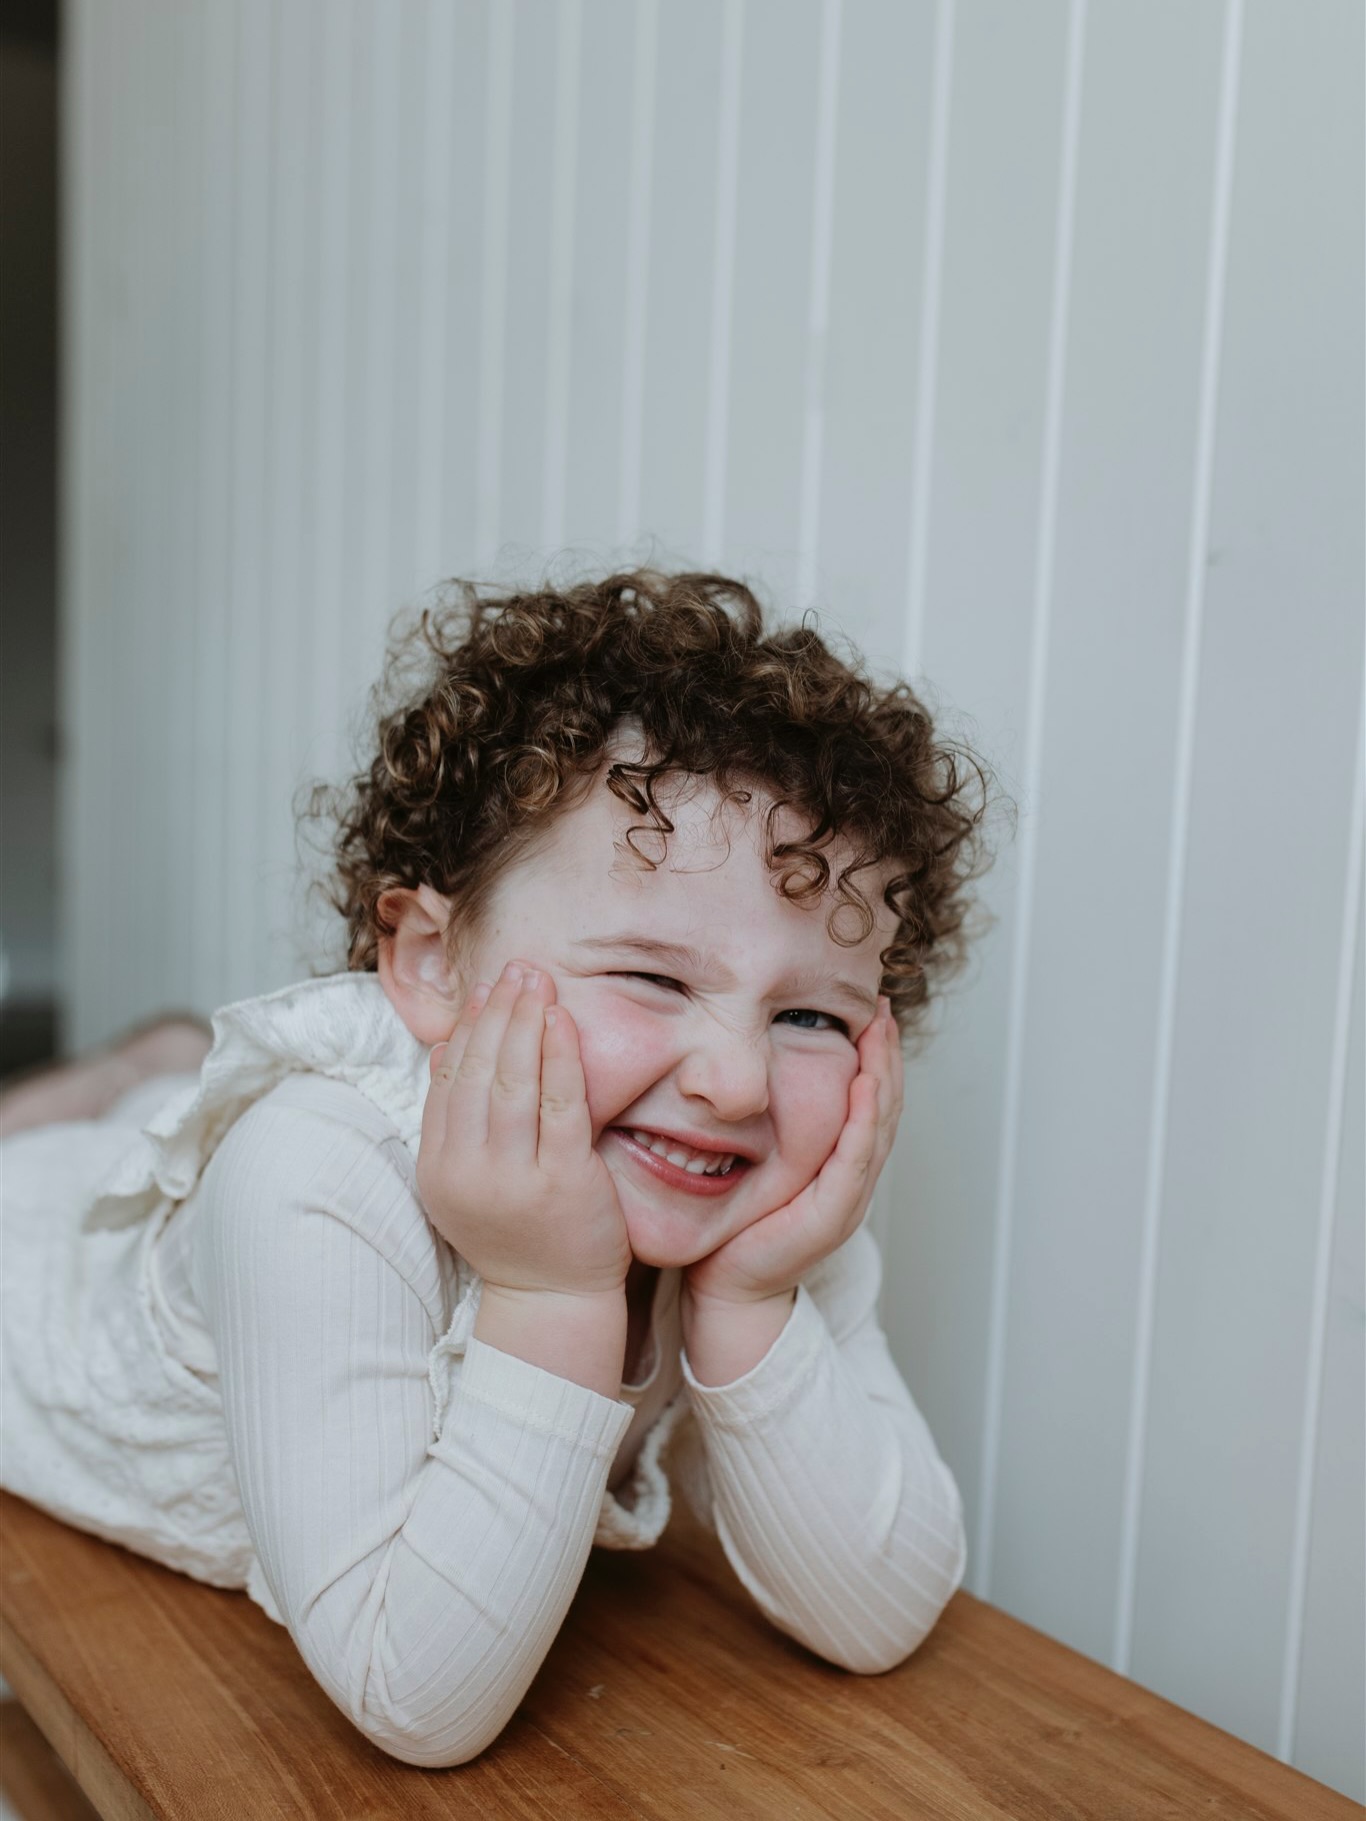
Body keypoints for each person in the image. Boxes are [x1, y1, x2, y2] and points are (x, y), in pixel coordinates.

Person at [0, 569, 998, 1767]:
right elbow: (413, 1699)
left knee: (154, 1098)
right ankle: (140, 1081)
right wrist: (555, 1297)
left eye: (813, 1021)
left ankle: (158, 1068)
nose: (735, 1083)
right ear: (428, 961)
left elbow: (880, 1612)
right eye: (654, 979)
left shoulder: (749, 1192)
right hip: (41, 1279)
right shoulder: (312, 1173)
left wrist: (753, 1303)